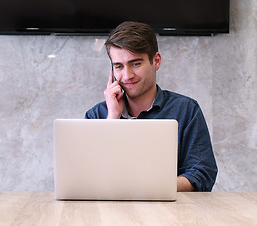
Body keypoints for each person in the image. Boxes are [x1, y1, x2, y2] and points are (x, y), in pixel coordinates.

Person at [85, 21, 217, 192]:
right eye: (119, 66)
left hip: (169, 214)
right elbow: (89, 178)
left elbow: (203, 175)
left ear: (156, 61)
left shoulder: (186, 110)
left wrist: (145, 188)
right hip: (110, 214)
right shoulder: (96, 115)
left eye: (136, 64)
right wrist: (112, 119)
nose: (127, 75)